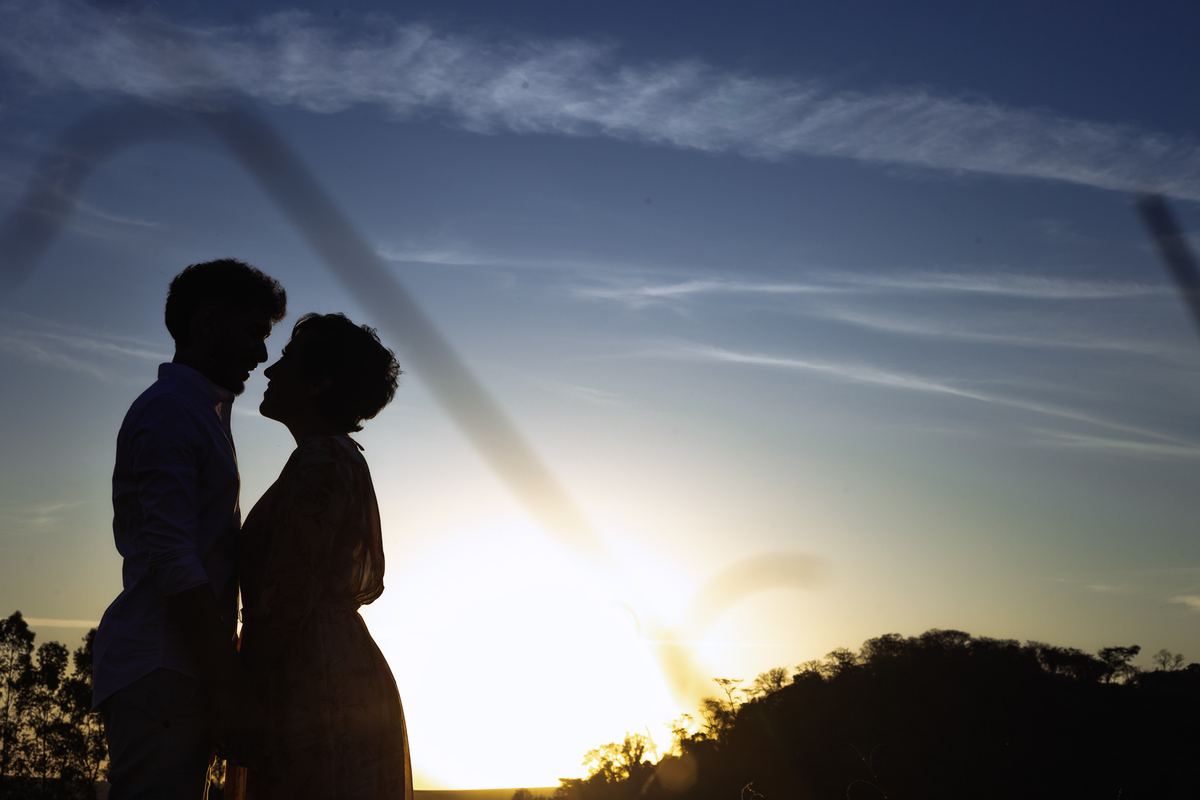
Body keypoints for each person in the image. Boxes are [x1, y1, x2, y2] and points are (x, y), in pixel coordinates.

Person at [94, 258, 287, 799]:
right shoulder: (172, 413)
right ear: (207, 323)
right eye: (254, 333)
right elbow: (174, 559)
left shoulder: (199, 413)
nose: (262, 354)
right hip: (163, 666)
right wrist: (232, 687)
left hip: (180, 669)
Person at [233, 312, 413, 800]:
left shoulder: (323, 461)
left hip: (316, 681)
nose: (270, 370)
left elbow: (285, 595)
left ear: (320, 382)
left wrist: (239, 693)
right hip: (324, 668)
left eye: (288, 359)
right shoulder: (331, 457)